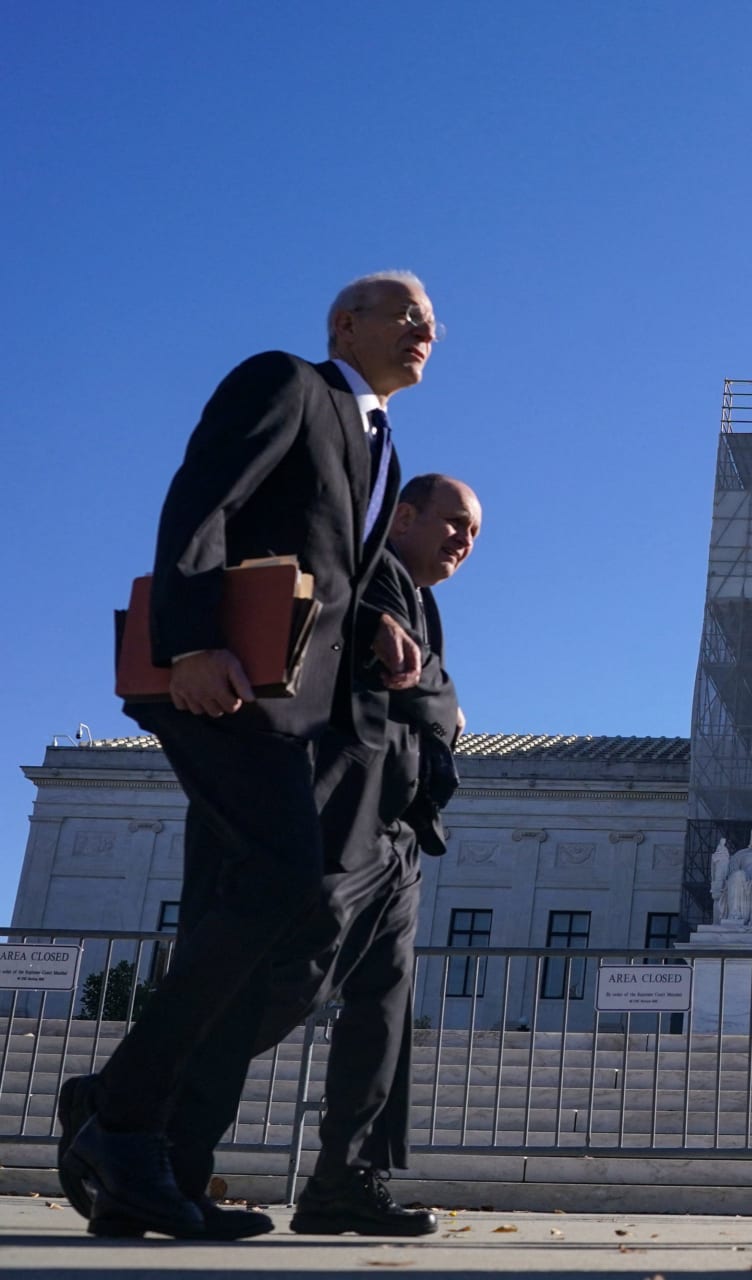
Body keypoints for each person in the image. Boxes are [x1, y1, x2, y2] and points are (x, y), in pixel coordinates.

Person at [58, 272, 439, 1240]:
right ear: (343, 323)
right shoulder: (288, 383)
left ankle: (148, 1168)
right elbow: (203, 497)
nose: (424, 329)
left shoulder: (379, 444)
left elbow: (319, 570)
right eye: (405, 312)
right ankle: (119, 1113)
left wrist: (374, 633)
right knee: (280, 886)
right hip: (224, 681)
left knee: (261, 901)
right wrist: (188, 640)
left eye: (432, 322)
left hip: (292, 703)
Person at [284, 472, 479, 1236]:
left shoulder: (421, 598)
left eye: (474, 534)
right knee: (300, 973)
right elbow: (410, 685)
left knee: (385, 1003)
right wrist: (444, 697)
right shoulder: (374, 572)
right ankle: (122, 1101)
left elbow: (419, 685)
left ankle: (345, 1175)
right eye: (454, 522)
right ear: (401, 517)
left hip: (401, 821)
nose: (464, 541)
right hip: (351, 804)